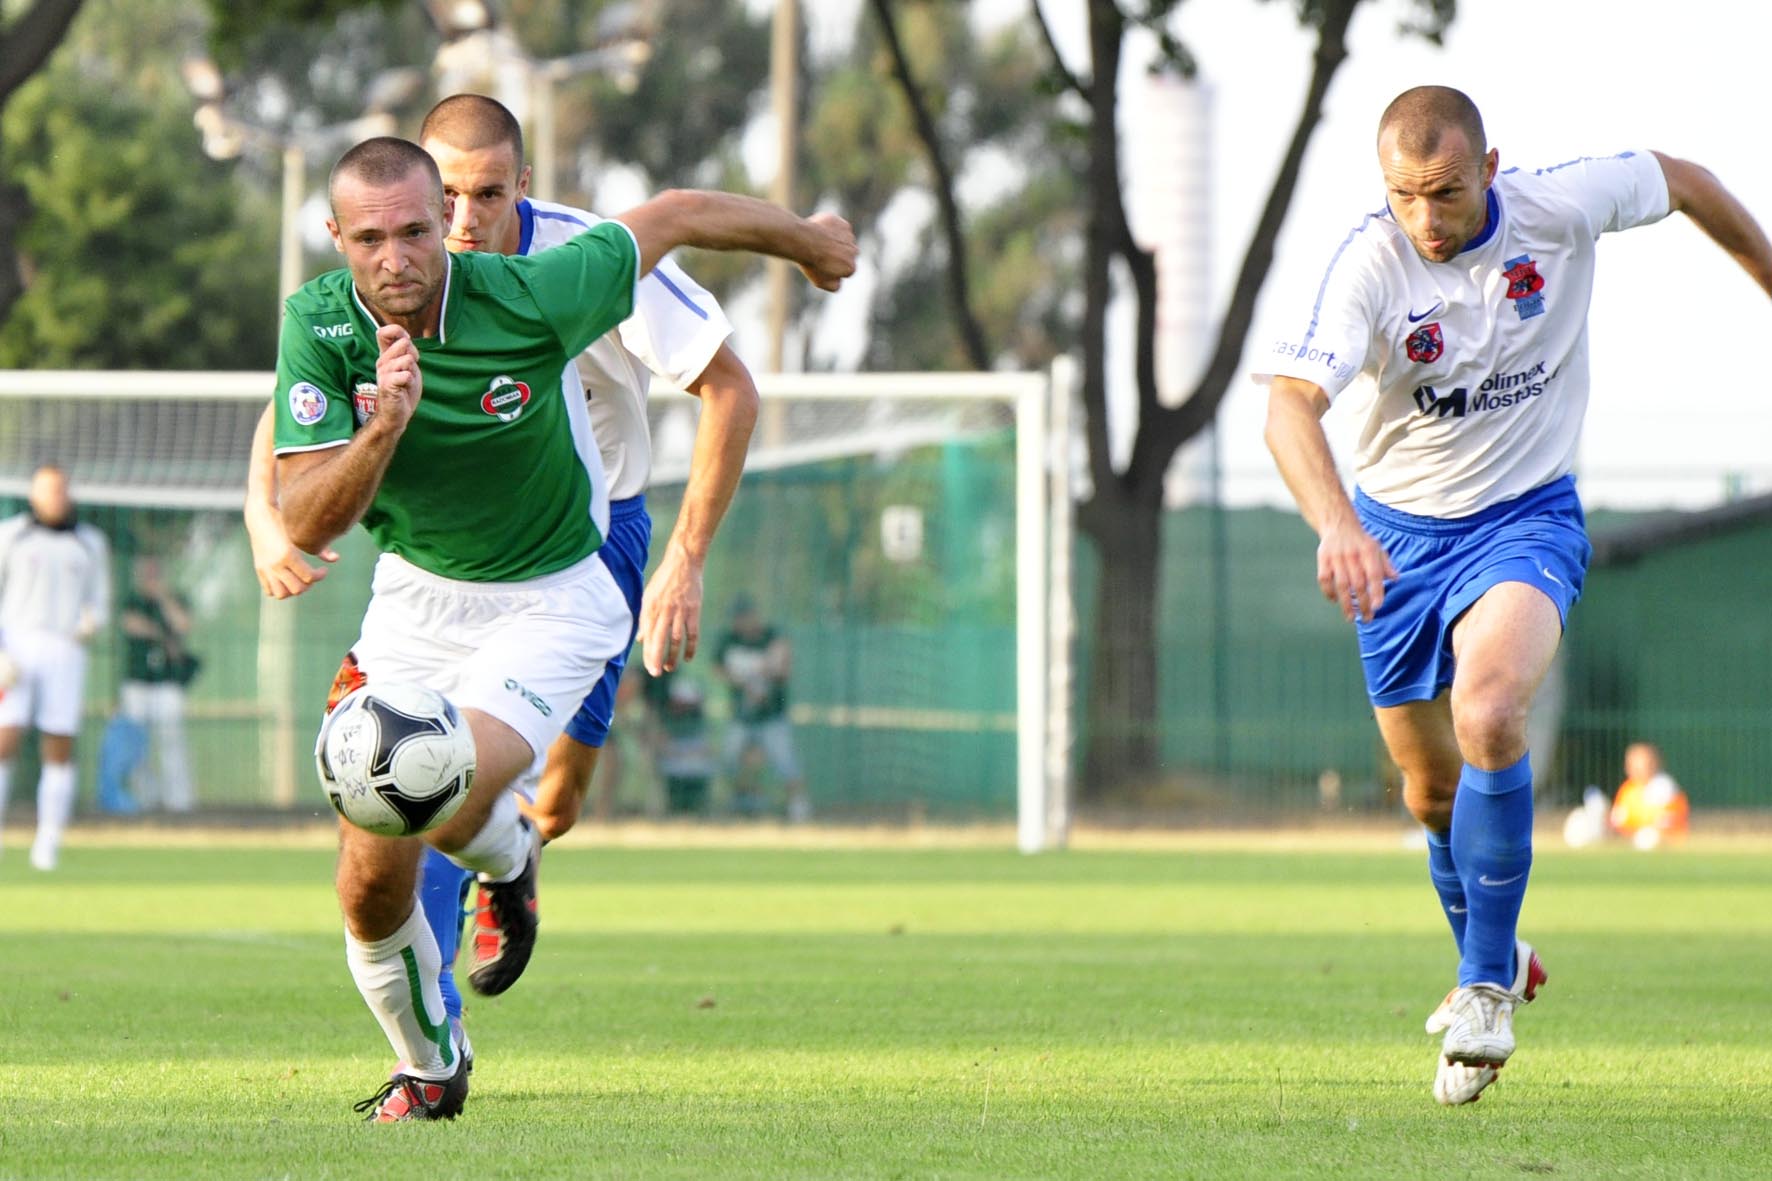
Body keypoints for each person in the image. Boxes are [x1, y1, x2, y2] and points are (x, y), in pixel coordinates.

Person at [270, 134, 852, 1122]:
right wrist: (385, 425)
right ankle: (432, 1059)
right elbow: (306, 517)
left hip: (553, 600)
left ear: (442, 225)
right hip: (411, 603)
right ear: (337, 237)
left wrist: (807, 240)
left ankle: (505, 859)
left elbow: (675, 213)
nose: (397, 257)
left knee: (438, 786)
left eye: (415, 231)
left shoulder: (534, 293)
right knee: (366, 878)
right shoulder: (317, 323)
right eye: (370, 239)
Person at [1257, 85, 1772, 1106]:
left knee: (1489, 712)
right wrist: (1336, 525)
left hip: (1524, 520)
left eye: (1444, 192)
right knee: (1428, 794)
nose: (1424, 217)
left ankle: (1485, 988)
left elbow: (1683, 179)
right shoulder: (1370, 266)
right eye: (1402, 195)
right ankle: (1498, 950)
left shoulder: (1558, 207)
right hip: (1394, 543)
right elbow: (1287, 406)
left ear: (1490, 168)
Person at [0, 465, 111, 870]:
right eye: (47, 490)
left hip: (66, 648)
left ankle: (48, 840)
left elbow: (100, 601)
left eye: (60, 489)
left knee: (59, 743)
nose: (54, 497)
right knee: (5, 738)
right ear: (33, 494)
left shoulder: (89, 542)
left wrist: (91, 622)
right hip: (16, 646)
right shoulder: (10, 535)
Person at [114, 556, 198, 812]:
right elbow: (131, 625)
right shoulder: (133, 600)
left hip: (167, 682)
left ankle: (179, 801)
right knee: (137, 742)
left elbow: (183, 624)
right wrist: (163, 635)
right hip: (137, 682)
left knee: (171, 739)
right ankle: (145, 798)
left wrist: (163, 598)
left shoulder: (175, 599)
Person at [715, 594, 806, 821]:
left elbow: (783, 669)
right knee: (730, 761)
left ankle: (798, 806)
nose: (739, 623)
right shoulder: (729, 639)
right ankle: (735, 806)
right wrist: (742, 681)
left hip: (771, 717)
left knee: (785, 762)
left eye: (742, 617)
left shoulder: (772, 637)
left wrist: (766, 670)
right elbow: (718, 668)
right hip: (742, 717)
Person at [1610, 741, 1689, 849]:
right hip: (1632, 838)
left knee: (1647, 837)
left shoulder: (1663, 786)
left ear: (1654, 764)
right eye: (1631, 765)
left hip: (1665, 841)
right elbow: (1618, 821)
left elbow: (1666, 823)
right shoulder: (1628, 789)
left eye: (1641, 765)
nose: (1634, 769)